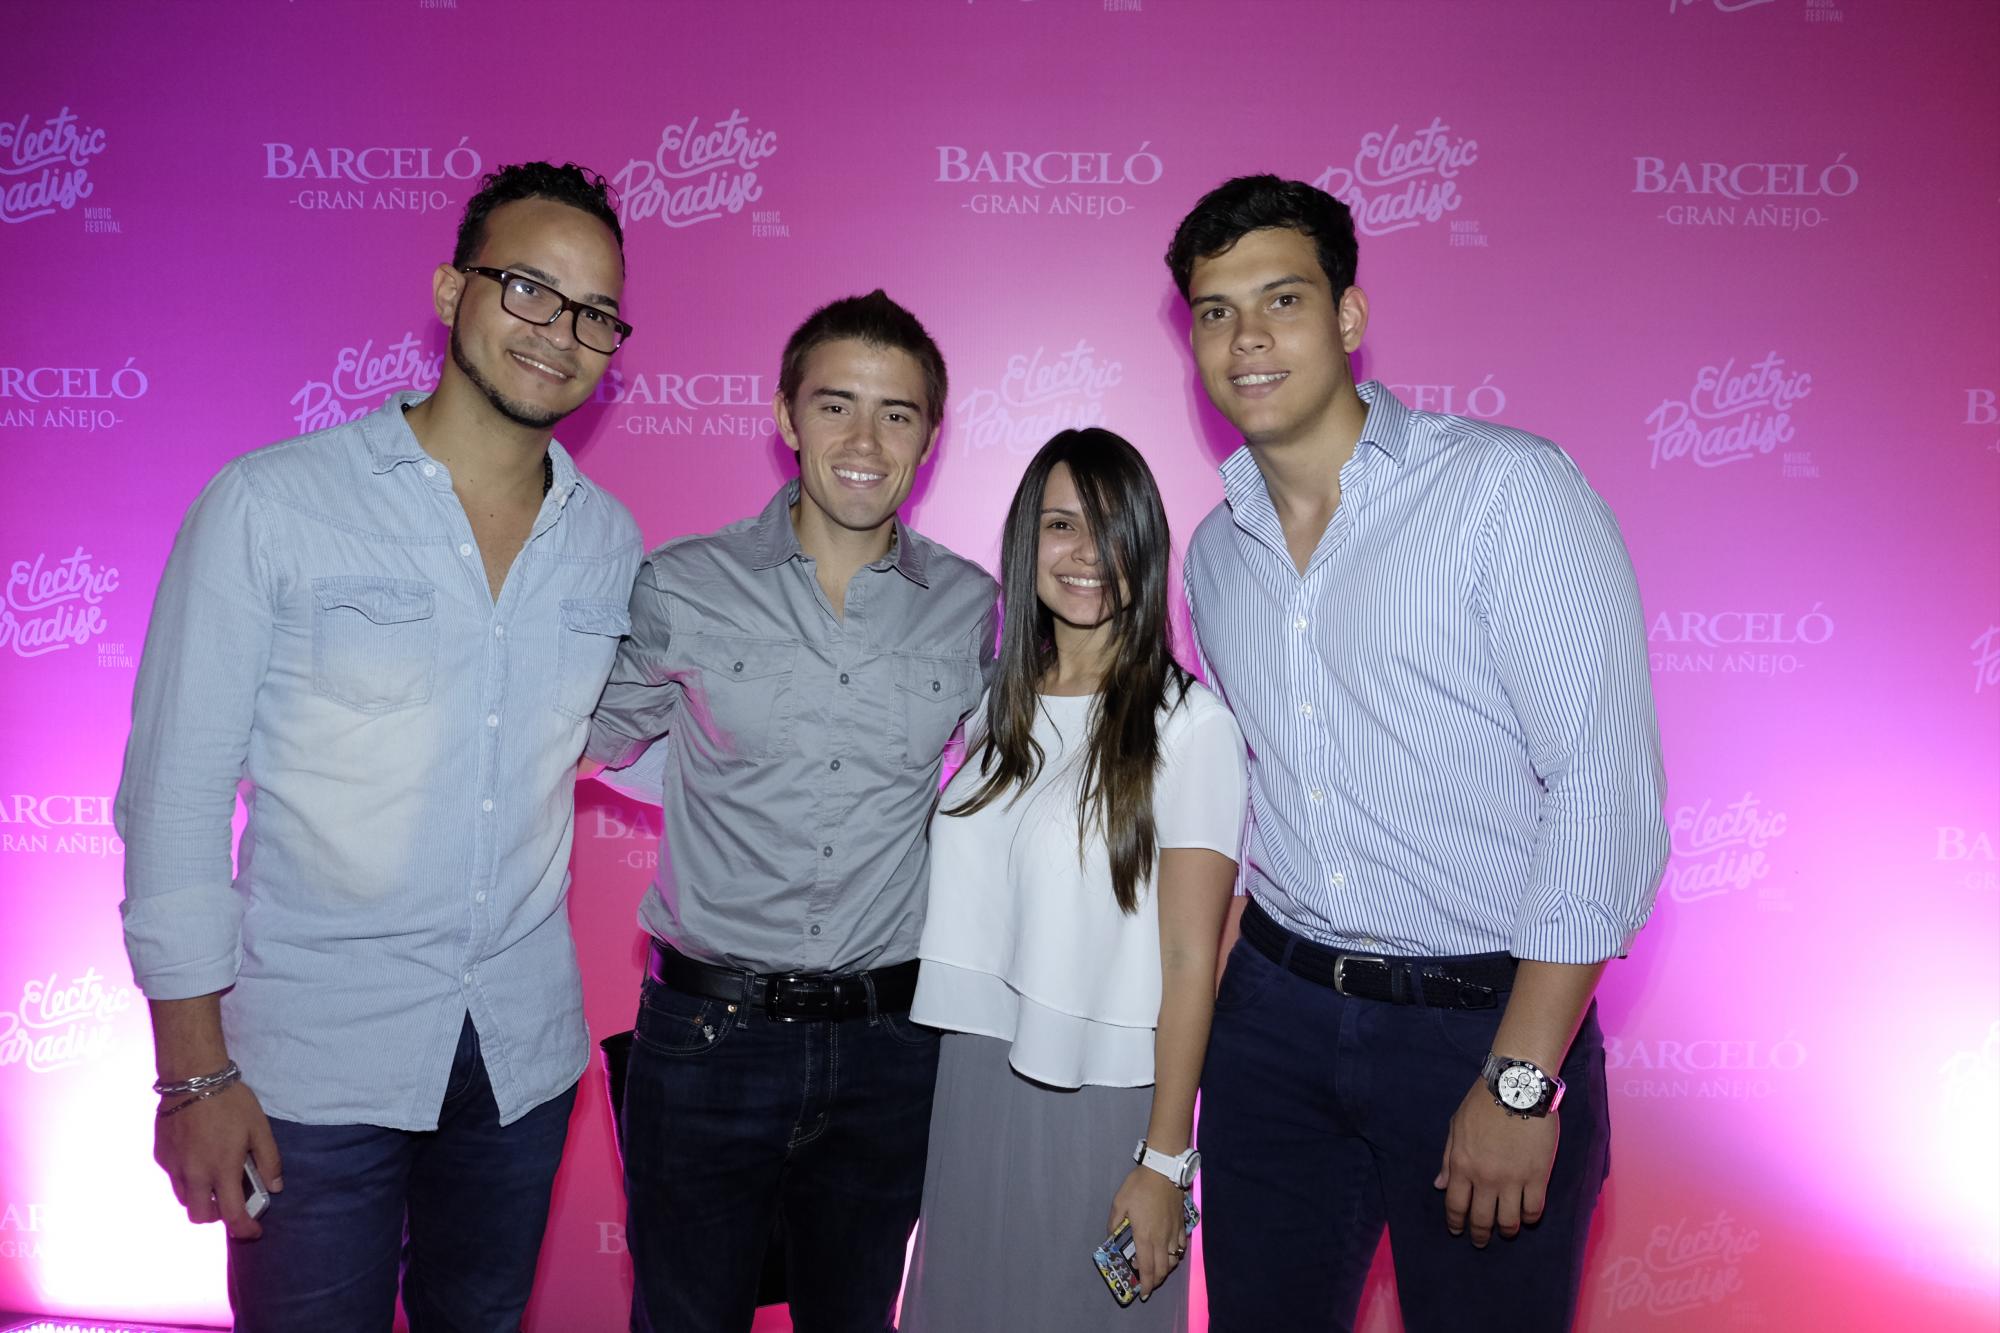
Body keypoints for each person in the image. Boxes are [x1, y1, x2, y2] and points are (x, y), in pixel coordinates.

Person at [115, 162, 642, 1331]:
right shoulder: (272, 505)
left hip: (518, 1062)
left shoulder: (607, 543)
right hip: (311, 1068)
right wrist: (193, 1074)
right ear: (451, 290)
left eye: (595, 312)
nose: (559, 331)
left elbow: (630, 734)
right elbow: (173, 800)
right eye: (528, 288)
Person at [1164, 174, 1669, 1333]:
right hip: (1272, 1024)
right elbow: (1248, 797)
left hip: (1479, 1025)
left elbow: (1600, 789)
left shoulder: (1505, 490)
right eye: (1214, 311)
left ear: (1347, 316)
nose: (1246, 338)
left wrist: (1518, 1080)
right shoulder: (1214, 554)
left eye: (1281, 299)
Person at [584, 290, 998, 1333]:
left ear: (929, 439)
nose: (864, 441)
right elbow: (573, 739)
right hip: (706, 1037)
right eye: (834, 405)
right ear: (784, 416)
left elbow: (1030, 782)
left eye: (896, 414)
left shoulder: (973, 606)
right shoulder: (683, 584)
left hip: (890, 1044)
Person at [897, 429, 1246, 1333]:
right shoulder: (994, 706)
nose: (1086, 552)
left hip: (1105, 1099)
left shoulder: (1191, 727)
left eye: (1109, 526)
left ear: (1146, 544)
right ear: (1027, 540)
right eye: (1061, 524)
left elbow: (1191, 965)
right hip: (973, 1080)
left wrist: (1164, 1159)